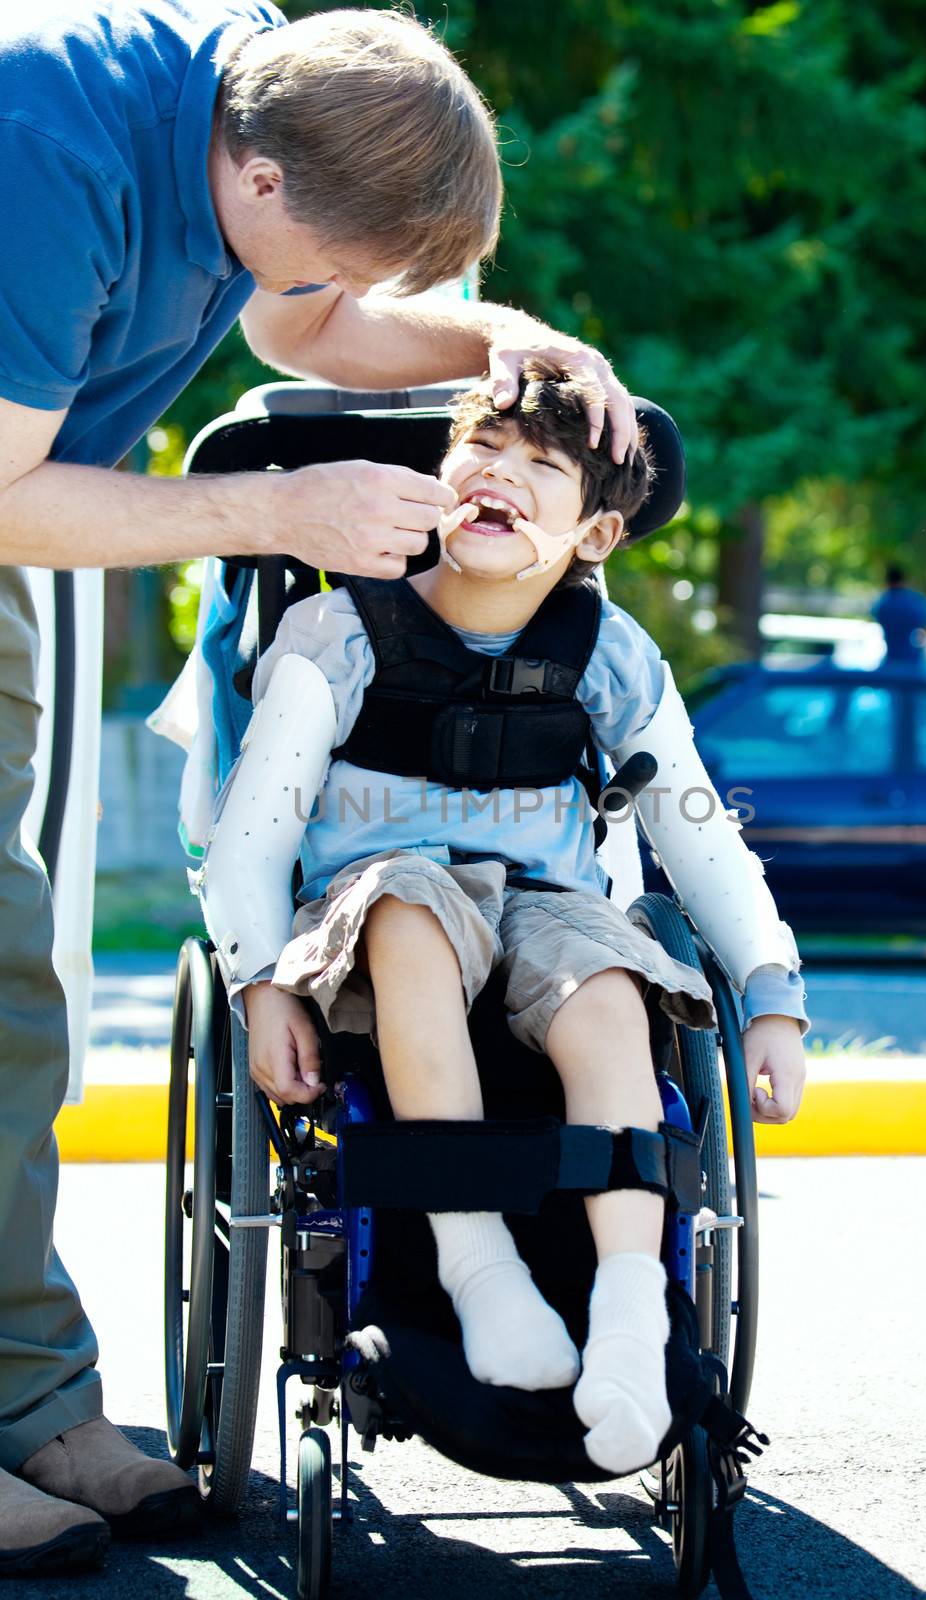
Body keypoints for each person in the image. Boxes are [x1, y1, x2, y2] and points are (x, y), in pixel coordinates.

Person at [0, 2, 641, 1575]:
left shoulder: (285, 87)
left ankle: (29, 1402)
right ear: (262, 183)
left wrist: (511, 344)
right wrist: (270, 503)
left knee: (14, 995)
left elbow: (303, 322)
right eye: (334, 252)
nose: (339, 292)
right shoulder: (50, 149)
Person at [200, 361, 809, 1479]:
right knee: (409, 909)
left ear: (594, 536)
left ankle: (630, 1300)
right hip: (377, 903)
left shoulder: (608, 656)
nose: (501, 475)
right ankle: (481, 1267)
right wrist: (258, 984)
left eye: (543, 467)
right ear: (440, 478)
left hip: (545, 908)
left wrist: (771, 988)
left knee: (611, 974)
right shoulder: (341, 634)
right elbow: (251, 837)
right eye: (482, 450)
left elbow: (695, 830)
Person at [872, 564, 926, 668]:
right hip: (914, 664)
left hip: (890, 662)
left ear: (887, 582)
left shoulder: (882, 603)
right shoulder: (916, 601)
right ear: (904, 580)